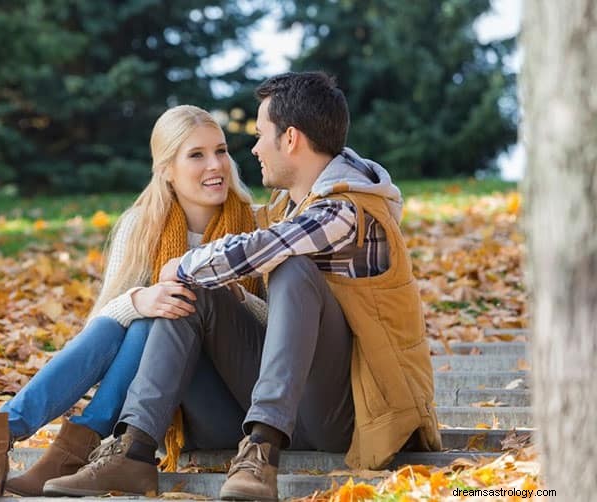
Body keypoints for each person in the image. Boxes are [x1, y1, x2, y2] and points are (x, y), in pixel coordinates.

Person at [43, 72, 441, 500]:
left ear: (290, 139)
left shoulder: (348, 211)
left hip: (352, 416)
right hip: (281, 403)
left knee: (291, 269)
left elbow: (262, 248)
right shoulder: (288, 207)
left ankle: (261, 452)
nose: (252, 149)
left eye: (259, 134)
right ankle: (132, 453)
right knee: (192, 293)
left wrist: (182, 263)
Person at [0, 105, 266, 499]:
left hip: (228, 407)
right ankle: (3, 432)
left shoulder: (256, 226)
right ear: (166, 169)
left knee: (165, 311)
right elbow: (99, 332)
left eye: (221, 151)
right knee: (142, 314)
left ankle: (48, 443)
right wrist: (140, 299)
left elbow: (277, 330)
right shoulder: (142, 226)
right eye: (197, 155)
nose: (216, 165)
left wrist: (227, 299)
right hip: (154, 411)